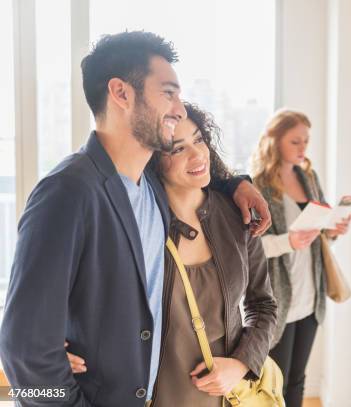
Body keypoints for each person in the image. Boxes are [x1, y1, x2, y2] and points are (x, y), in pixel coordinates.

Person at [0, 31, 270, 407]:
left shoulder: (151, 190)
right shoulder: (67, 193)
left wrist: (237, 184)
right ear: (121, 93)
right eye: (168, 93)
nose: (178, 108)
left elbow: (193, 179)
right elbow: (23, 352)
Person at [68, 102, 277, 406]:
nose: (197, 155)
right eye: (177, 149)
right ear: (152, 157)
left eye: (199, 139)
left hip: (224, 395)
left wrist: (242, 363)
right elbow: (83, 292)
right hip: (149, 396)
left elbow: (264, 305)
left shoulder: (237, 216)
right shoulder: (135, 222)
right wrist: (55, 342)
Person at [251, 109, 351, 407]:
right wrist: (288, 241)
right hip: (278, 299)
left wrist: (333, 230)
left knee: (297, 378)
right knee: (273, 383)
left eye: (306, 141)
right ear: (275, 141)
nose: (303, 148)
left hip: (310, 295)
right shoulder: (257, 185)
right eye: (295, 141)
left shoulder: (308, 177)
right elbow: (251, 248)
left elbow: (318, 236)